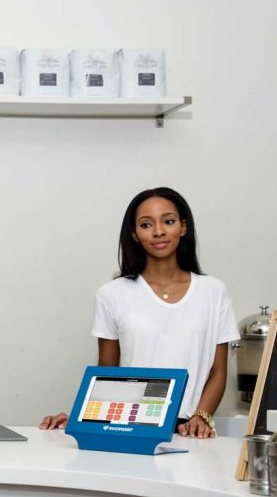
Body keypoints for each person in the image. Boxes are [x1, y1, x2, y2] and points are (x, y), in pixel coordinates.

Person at [39, 187, 240, 438]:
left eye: (168, 221)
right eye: (146, 225)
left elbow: (218, 371)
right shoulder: (111, 294)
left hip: (190, 431)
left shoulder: (214, 291)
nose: (158, 231)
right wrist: (81, 418)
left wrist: (202, 416)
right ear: (134, 234)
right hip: (128, 428)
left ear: (183, 227)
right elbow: (107, 375)